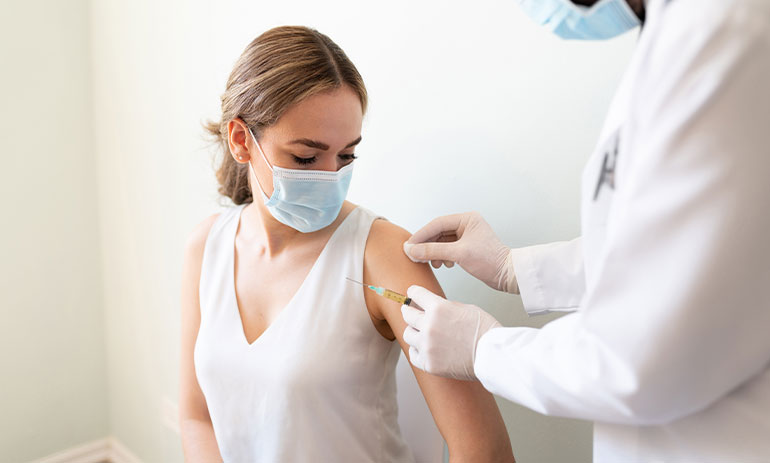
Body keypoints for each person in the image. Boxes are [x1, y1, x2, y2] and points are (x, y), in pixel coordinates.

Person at [400, 0, 770, 461]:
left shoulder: (723, 37)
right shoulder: (679, 34)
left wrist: (485, 350)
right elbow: (675, 248)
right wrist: (515, 268)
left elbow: (641, 359)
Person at [178, 26, 514, 463]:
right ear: (242, 141)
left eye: (346, 156)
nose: (330, 175)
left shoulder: (383, 254)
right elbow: (196, 417)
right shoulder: (206, 246)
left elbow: (484, 450)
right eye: (305, 157)